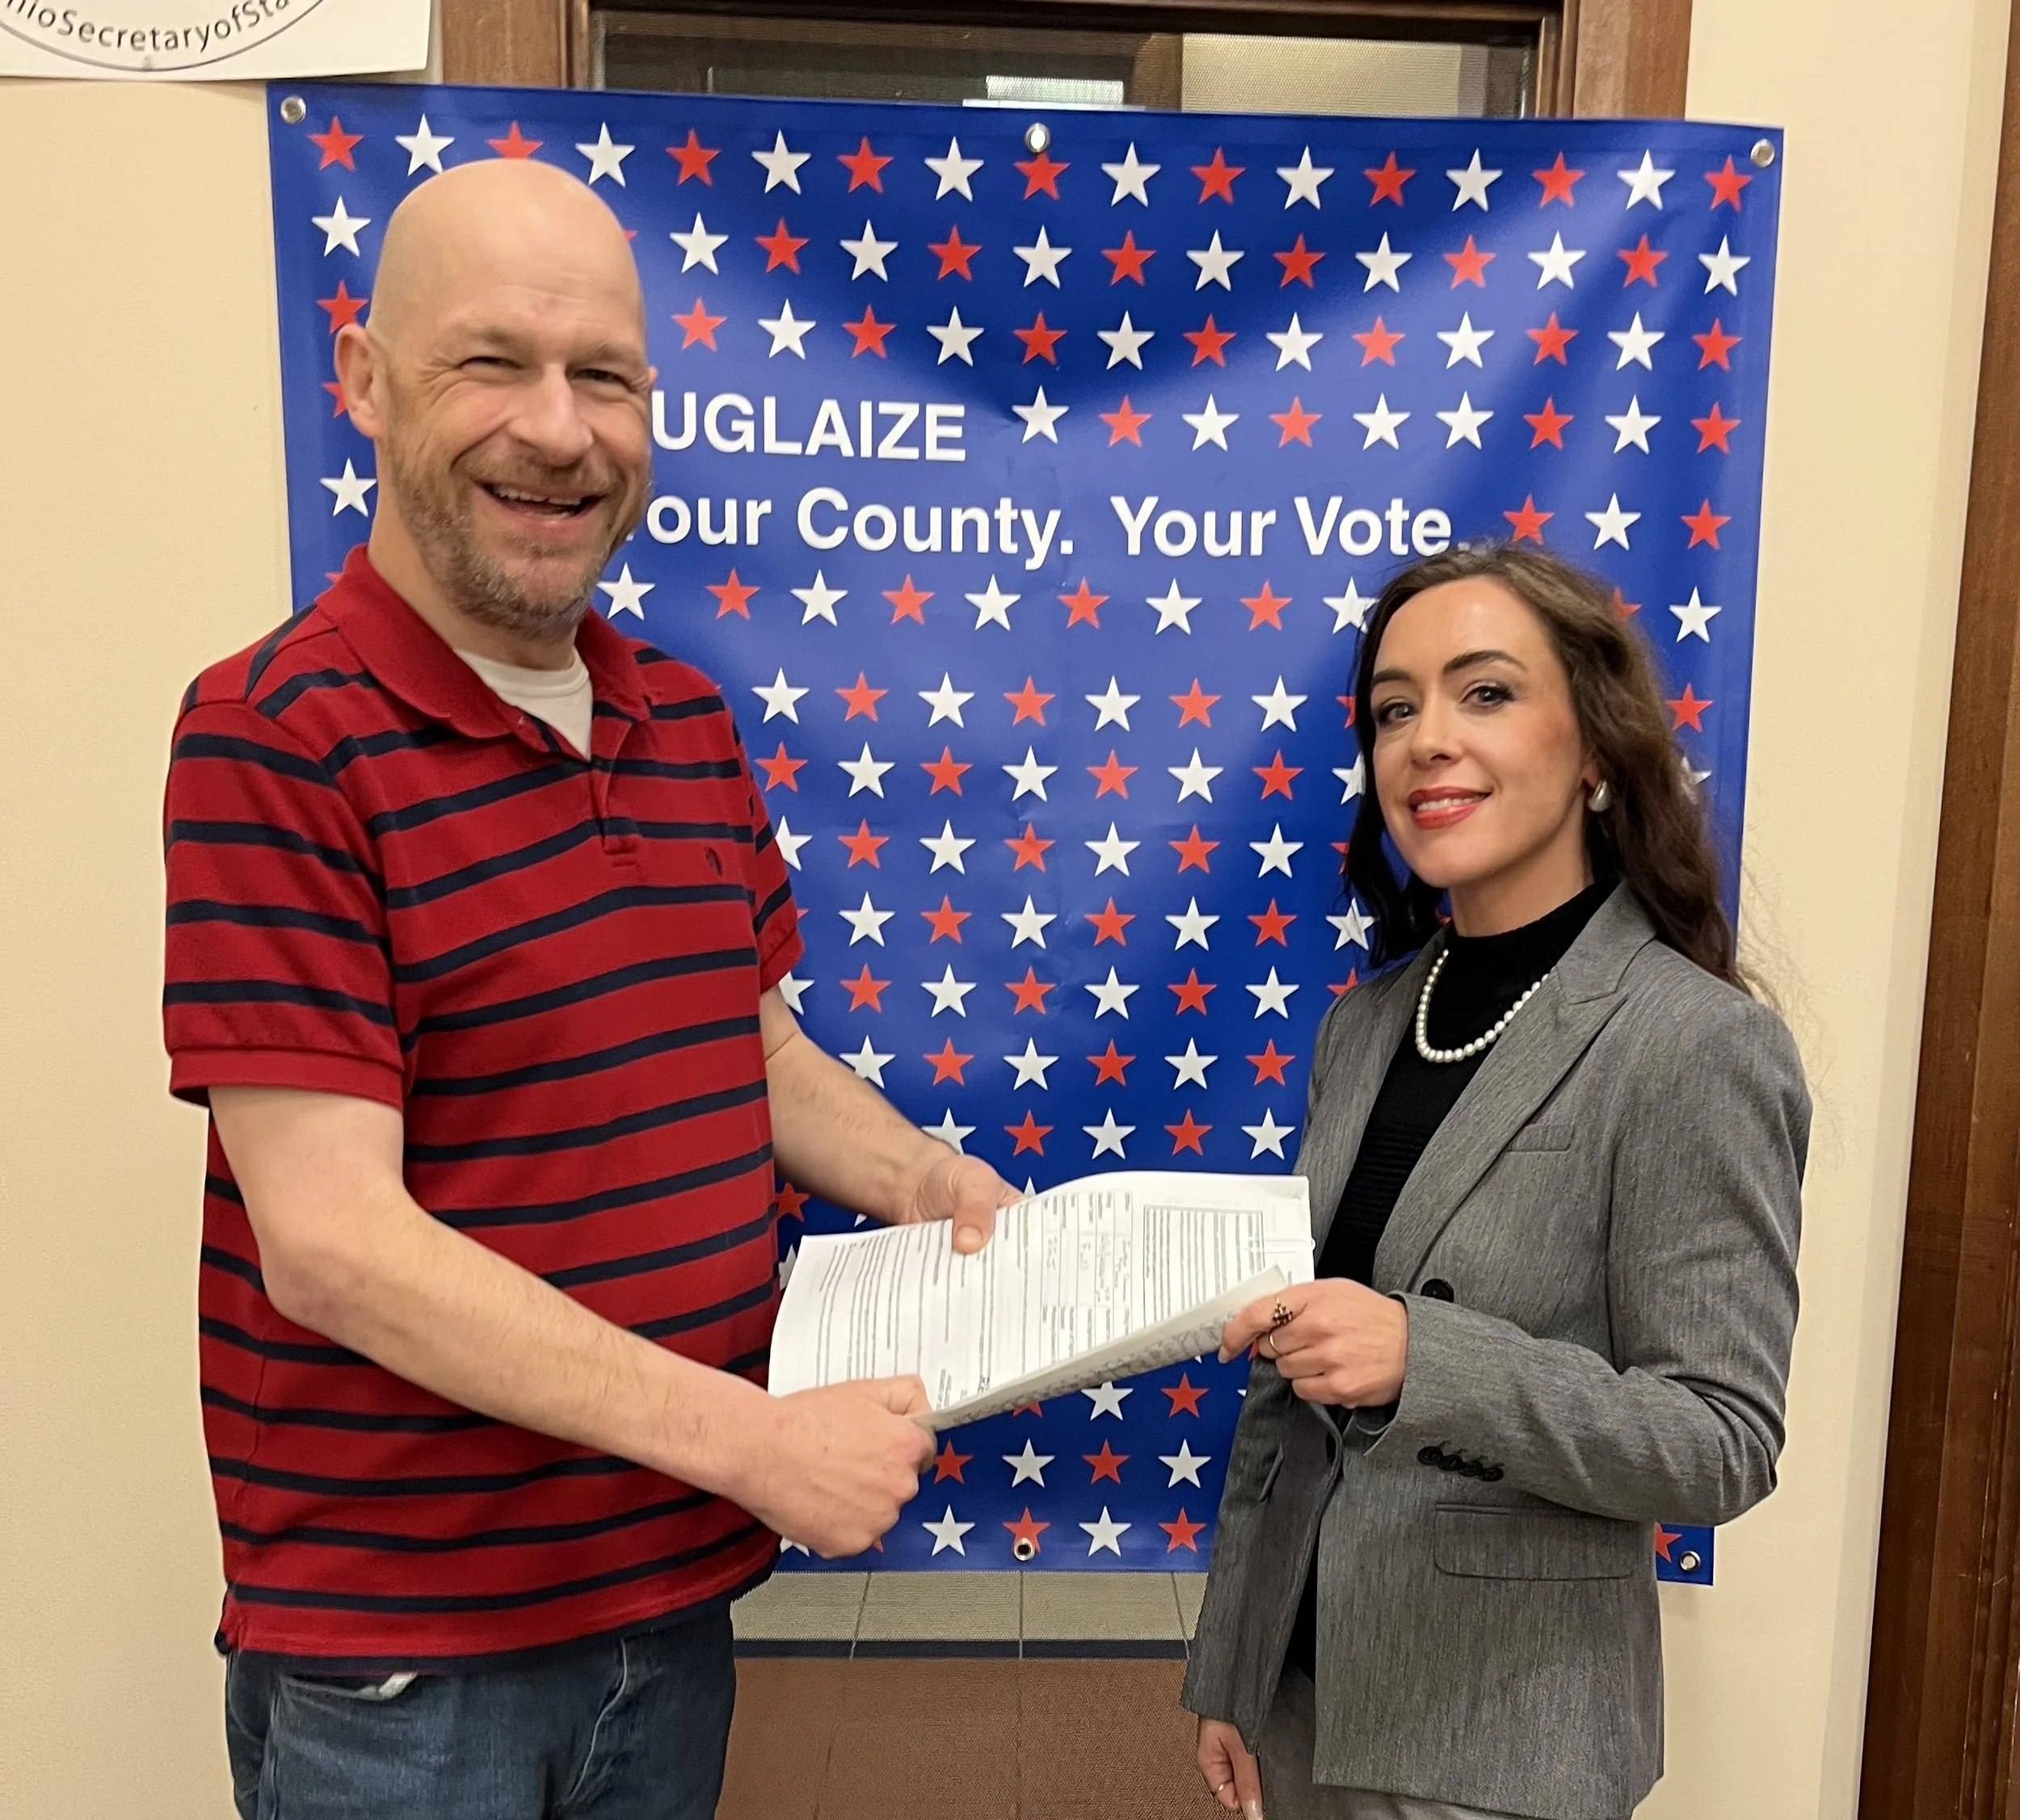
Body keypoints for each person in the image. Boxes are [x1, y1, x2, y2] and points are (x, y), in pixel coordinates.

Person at [161, 158, 1016, 1820]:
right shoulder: (275, 733)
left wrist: (919, 1176)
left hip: (667, 1608)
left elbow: (740, 1037)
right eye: (492, 361)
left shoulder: (680, 717)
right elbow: (331, 1245)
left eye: (603, 376)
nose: (557, 430)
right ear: (363, 380)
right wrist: (750, 1443)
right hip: (408, 1671)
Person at [1184, 545, 1809, 1820]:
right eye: (1395, 709)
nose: (1425, 741)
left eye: (1483, 693)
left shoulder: (1694, 1045)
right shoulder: (1364, 1026)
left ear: (1594, 752)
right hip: (1305, 1704)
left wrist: (1432, 1359)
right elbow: (1285, 1392)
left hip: (1503, 1742)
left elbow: (1720, 1440)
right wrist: (1232, 1673)